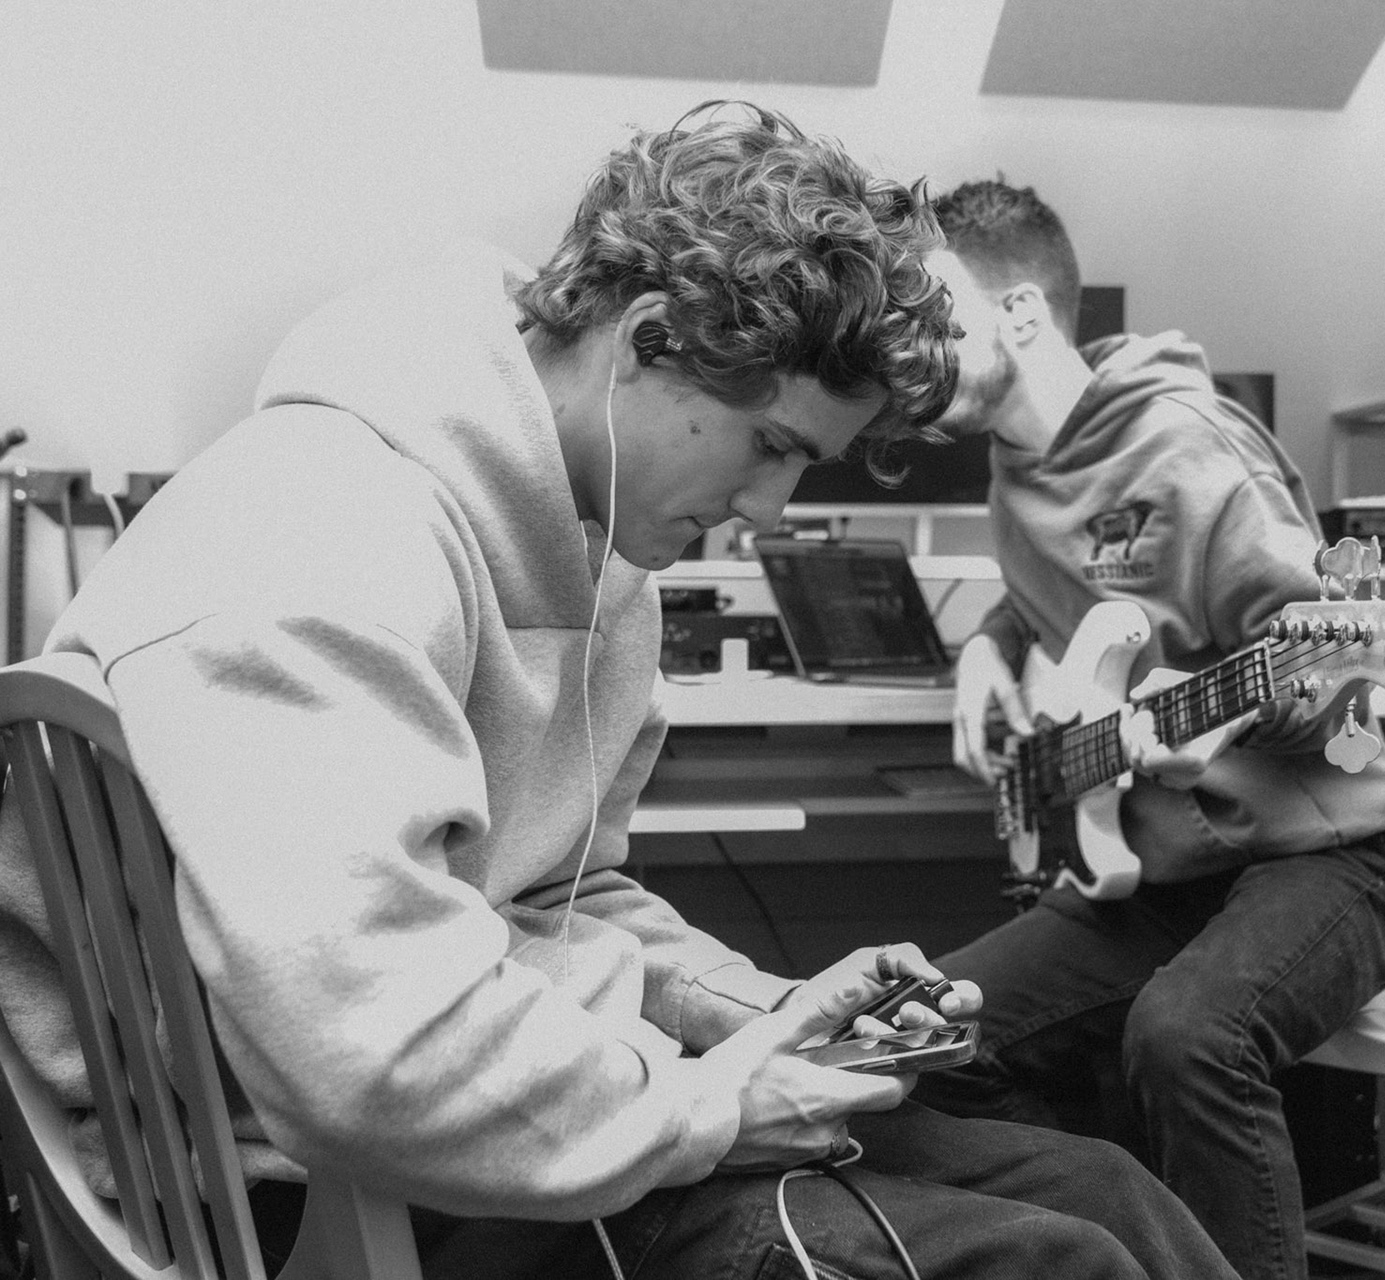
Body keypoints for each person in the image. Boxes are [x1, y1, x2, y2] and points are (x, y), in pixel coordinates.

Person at [0, 106, 1240, 1280]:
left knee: (1100, 1188)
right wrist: (711, 1104)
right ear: (651, 336)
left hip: (484, 1118)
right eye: (773, 445)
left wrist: (760, 1009)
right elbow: (365, 1046)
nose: (770, 512)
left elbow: (552, 898)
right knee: (1051, 1258)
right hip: (305, 1189)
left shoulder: (605, 555)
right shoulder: (315, 532)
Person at [910, 178, 1385, 1280]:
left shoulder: (1187, 446)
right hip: (1157, 874)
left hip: (1327, 859)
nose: (911, 347)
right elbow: (1071, 600)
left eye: (935, 315)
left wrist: (1238, 715)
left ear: (1019, 314)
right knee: (931, 1037)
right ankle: (1117, 1253)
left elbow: (1345, 663)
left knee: (1186, 1035)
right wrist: (987, 648)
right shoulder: (1015, 471)